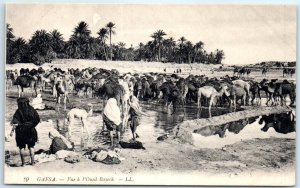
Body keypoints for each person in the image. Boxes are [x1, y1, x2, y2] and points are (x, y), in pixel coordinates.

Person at [11, 97, 40, 166]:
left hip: (20, 131)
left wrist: (13, 129)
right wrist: (32, 125)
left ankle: (23, 164)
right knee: (31, 147)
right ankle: (32, 163)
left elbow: (14, 121)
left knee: (21, 147)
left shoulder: (18, 111)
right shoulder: (32, 109)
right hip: (30, 130)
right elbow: (37, 119)